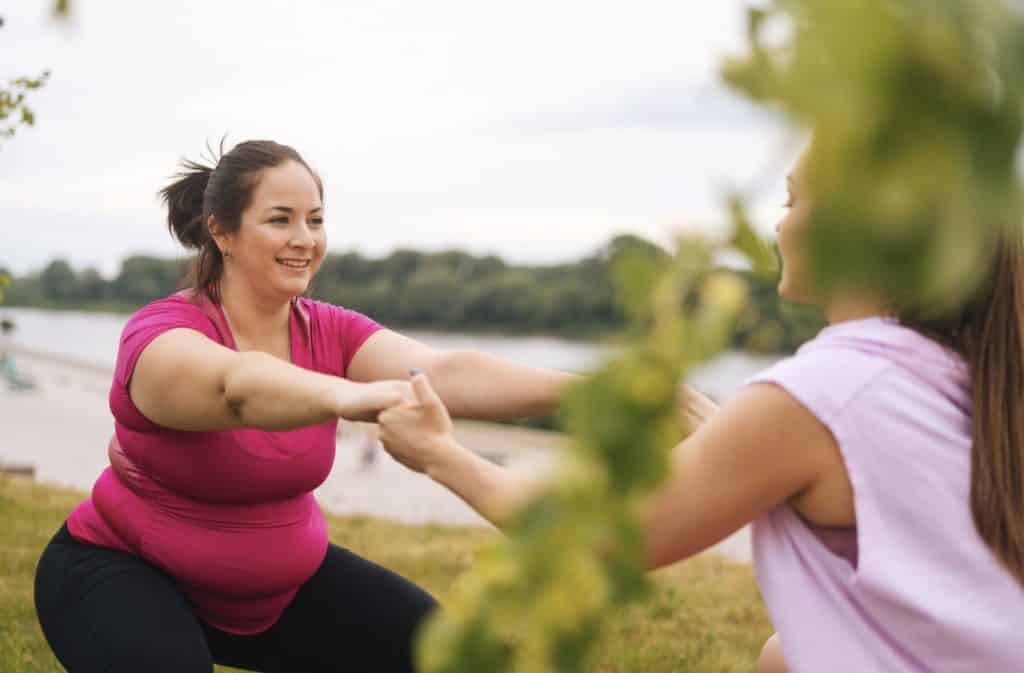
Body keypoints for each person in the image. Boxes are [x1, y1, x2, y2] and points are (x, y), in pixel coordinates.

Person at [377, 156, 1024, 672]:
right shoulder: (959, 367)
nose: (777, 224)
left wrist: (439, 452)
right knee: (781, 656)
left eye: (793, 201)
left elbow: (593, 539)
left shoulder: (825, 389)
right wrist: (726, 428)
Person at [33, 139, 576, 673]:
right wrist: (352, 394)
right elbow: (237, 388)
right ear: (222, 230)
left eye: (315, 221)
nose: (304, 239)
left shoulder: (330, 329)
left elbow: (445, 373)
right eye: (280, 219)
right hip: (119, 571)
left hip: (276, 595)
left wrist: (598, 391)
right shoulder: (161, 335)